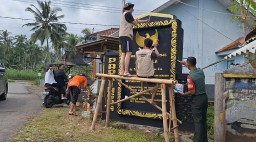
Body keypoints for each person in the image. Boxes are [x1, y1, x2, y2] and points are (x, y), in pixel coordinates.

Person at [178, 57, 208, 142]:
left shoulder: (190, 77)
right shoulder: (201, 72)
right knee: (203, 121)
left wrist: (184, 94)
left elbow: (192, 91)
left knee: (198, 122)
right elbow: (192, 67)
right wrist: (183, 63)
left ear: (188, 64)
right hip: (204, 98)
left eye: (186, 63)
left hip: (197, 100)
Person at [119, 2, 150, 76]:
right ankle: (126, 71)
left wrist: (145, 21)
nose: (133, 10)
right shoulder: (128, 14)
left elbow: (135, 21)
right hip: (127, 36)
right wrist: (143, 22)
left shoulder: (124, 15)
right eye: (132, 8)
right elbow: (135, 23)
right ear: (130, 8)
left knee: (123, 53)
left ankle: (122, 71)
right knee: (128, 53)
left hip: (122, 36)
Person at [136, 38, 159, 104]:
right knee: (156, 85)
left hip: (139, 74)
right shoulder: (151, 52)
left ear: (144, 44)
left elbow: (137, 63)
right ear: (151, 45)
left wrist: (136, 73)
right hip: (149, 75)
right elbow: (158, 55)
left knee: (142, 71)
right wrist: (155, 47)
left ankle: (142, 89)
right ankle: (152, 99)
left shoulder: (137, 52)